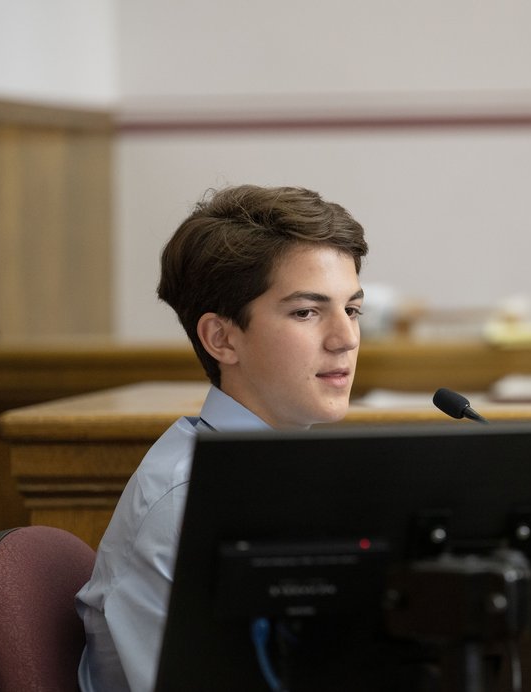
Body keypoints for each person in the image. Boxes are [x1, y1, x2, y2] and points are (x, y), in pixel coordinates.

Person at [75, 185, 369, 692]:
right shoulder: (184, 504)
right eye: (306, 312)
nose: (345, 338)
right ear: (222, 338)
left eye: (353, 310)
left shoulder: (298, 471)